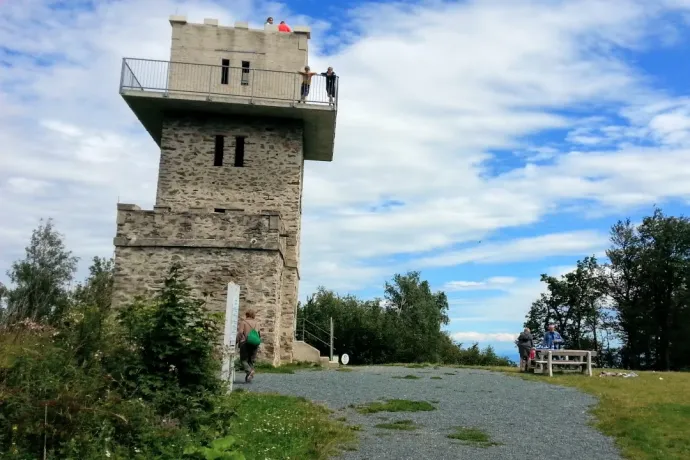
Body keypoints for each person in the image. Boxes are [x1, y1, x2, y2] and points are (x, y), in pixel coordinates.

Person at [236, 309, 260, 383]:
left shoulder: (243, 322)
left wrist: (236, 341)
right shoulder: (257, 323)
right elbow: (259, 334)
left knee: (243, 360)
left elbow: (240, 333)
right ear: (253, 315)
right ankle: (248, 377)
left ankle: (249, 371)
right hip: (254, 343)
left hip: (245, 343)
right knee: (250, 360)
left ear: (246, 315)